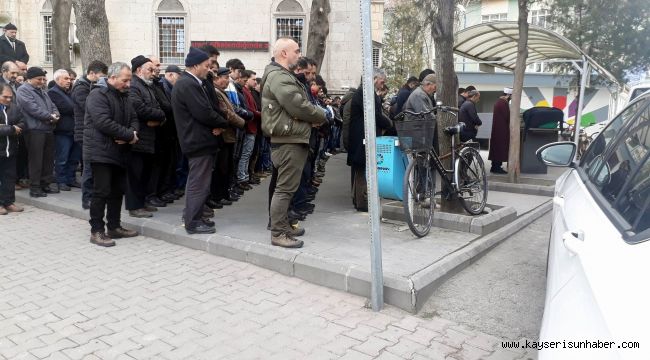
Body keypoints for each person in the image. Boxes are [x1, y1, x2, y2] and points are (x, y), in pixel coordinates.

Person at [262, 38, 327, 248]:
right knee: (284, 190)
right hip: (288, 140)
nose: (299, 55)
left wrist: (308, 116)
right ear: (283, 53)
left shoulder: (282, 75)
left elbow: (300, 105)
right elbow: (298, 105)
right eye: (296, 51)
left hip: (291, 138)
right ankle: (279, 233)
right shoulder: (279, 76)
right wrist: (321, 115)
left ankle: (284, 225)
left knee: (287, 189)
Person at [171, 47, 229, 234]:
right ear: (195, 66)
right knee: (198, 183)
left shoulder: (193, 83)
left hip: (200, 140)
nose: (209, 69)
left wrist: (220, 124)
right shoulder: (188, 84)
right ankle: (193, 222)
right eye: (206, 66)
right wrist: (224, 122)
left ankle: (195, 216)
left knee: (199, 182)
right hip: (198, 141)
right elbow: (204, 112)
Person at [83, 62, 140, 247]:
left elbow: (134, 118)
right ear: (112, 77)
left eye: (129, 80)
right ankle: (97, 230)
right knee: (101, 192)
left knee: (117, 191)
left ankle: (114, 227)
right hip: (101, 152)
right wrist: (128, 135)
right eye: (125, 80)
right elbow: (103, 122)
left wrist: (132, 135)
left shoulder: (125, 96)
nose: (128, 84)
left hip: (120, 152)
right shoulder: (97, 94)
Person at [126, 56, 166, 218]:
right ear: (138, 70)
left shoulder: (147, 86)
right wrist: (160, 115)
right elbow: (139, 108)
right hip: (138, 137)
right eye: (149, 69)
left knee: (145, 173)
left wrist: (159, 117)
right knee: (135, 174)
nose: (153, 72)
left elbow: (159, 108)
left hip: (149, 137)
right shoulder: (134, 86)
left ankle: (142, 202)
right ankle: (134, 206)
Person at [348, 69, 392, 211]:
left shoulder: (366, 92)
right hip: (362, 136)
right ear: (374, 78)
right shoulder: (364, 92)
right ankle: (362, 202)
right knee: (362, 168)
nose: (382, 84)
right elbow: (373, 114)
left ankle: (360, 200)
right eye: (382, 81)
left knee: (361, 168)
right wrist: (389, 124)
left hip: (363, 135)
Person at [16, 67, 60, 197]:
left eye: (43, 79)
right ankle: (35, 187)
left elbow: (52, 105)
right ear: (29, 79)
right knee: (36, 160)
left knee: (48, 159)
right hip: (33, 130)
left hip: (47, 129)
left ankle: (45, 184)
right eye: (39, 79)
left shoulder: (42, 90)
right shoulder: (23, 90)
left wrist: (56, 115)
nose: (42, 81)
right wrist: (50, 117)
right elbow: (32, 108)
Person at [72, 60, 108, 209]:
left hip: (92, 132)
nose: (102, 80)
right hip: (84, 133)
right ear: (91, 73)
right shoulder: (81, 88)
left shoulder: (91, 86)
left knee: (93, 168)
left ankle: (94, 196)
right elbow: (90, 106)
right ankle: (87, 199)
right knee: (88, 168)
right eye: (100, 76)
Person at [48, 69, 81, 190]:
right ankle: (61, 181)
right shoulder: (53, 93)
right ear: (57, 80)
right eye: (66, 79)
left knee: (74, 158)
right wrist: (76, 107)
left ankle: (71, 179)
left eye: (70, 79)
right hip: (62, 131)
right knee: (62, 158)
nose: (69, 81)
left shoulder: (69, 92)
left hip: (74, 130)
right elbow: (67, 108)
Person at [0, 82, 25, 215]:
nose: (8, 100)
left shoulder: (14, 108)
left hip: (11, 149)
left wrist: (5, 127)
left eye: (10, 97)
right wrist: (11, 128)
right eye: (5, 97)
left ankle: (8, 202)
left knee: (9, 177)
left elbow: (22, 123)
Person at [488, 87, 512, 174]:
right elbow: (507, 116)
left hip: (498, 128)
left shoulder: (499, 102)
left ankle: (494, 166)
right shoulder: (503, 103)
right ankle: (497, 167)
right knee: (500, 148)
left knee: (496, 148)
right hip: (501, 129)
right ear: (508, 95)